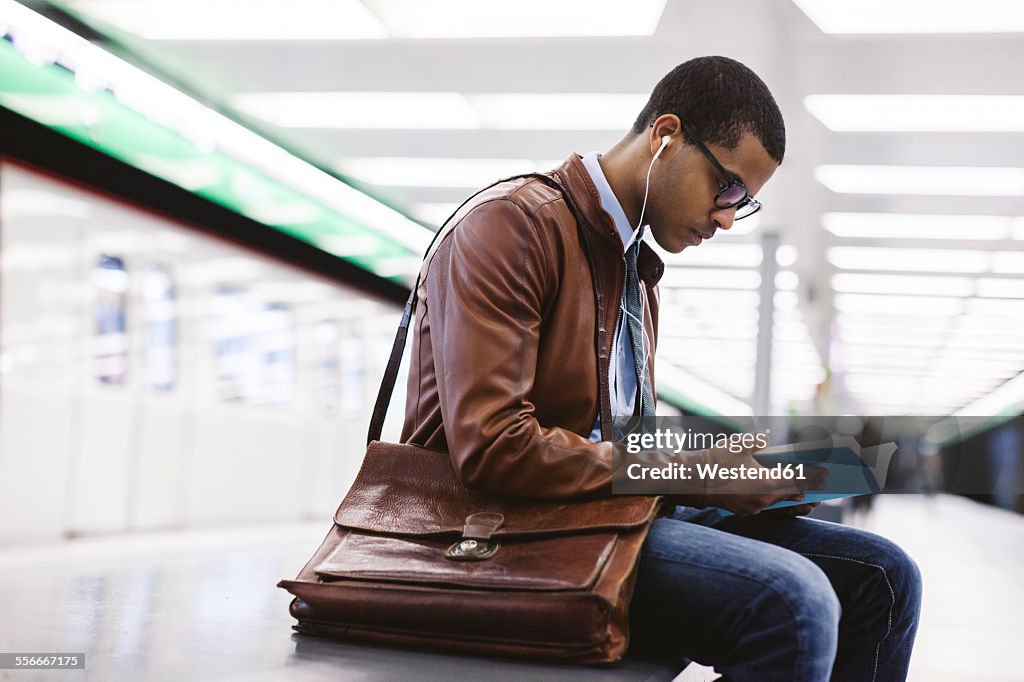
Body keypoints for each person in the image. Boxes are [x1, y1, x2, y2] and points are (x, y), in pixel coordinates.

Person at [400, 56, 922, 681]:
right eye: (727, 189)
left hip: (602, 512)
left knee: (884, 579)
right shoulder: (513, 227)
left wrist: (746, 473)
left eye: (745, 204)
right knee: (793, 602)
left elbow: (616, 443)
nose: (728, 217)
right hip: (507, 527)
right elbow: (493, 447)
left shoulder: (633, 274)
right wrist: (693, 472)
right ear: (666, 135)